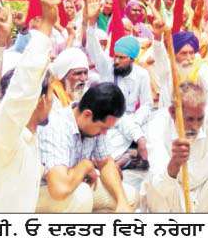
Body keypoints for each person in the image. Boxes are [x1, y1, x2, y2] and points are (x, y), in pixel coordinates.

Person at [0, 0, 60, 212]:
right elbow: (20, 90)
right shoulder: (5, 135)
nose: (53, 102)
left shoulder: (28, 137)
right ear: (38, 101)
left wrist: (1, 40)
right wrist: (45, 28)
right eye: (50, 95)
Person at [144, 81, 208, 212]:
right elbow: (161, 186)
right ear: (172, 112)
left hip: (204, 193)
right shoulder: (157, 125)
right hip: (174, 197)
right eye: (190, 119)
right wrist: (174, 163)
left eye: (199, 119)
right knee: (153, 185)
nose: (195, 126)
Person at [36, 82, 137, 213]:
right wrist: (86, 165)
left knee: (130, 197)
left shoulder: (95, 126)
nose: (104, 133)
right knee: (82, 195)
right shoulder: (57, 127)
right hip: (41, 192)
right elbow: (59, 189)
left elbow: (106, 163)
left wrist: (122, 201)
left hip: (75, 184)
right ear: (87, 115)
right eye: (103, 128)